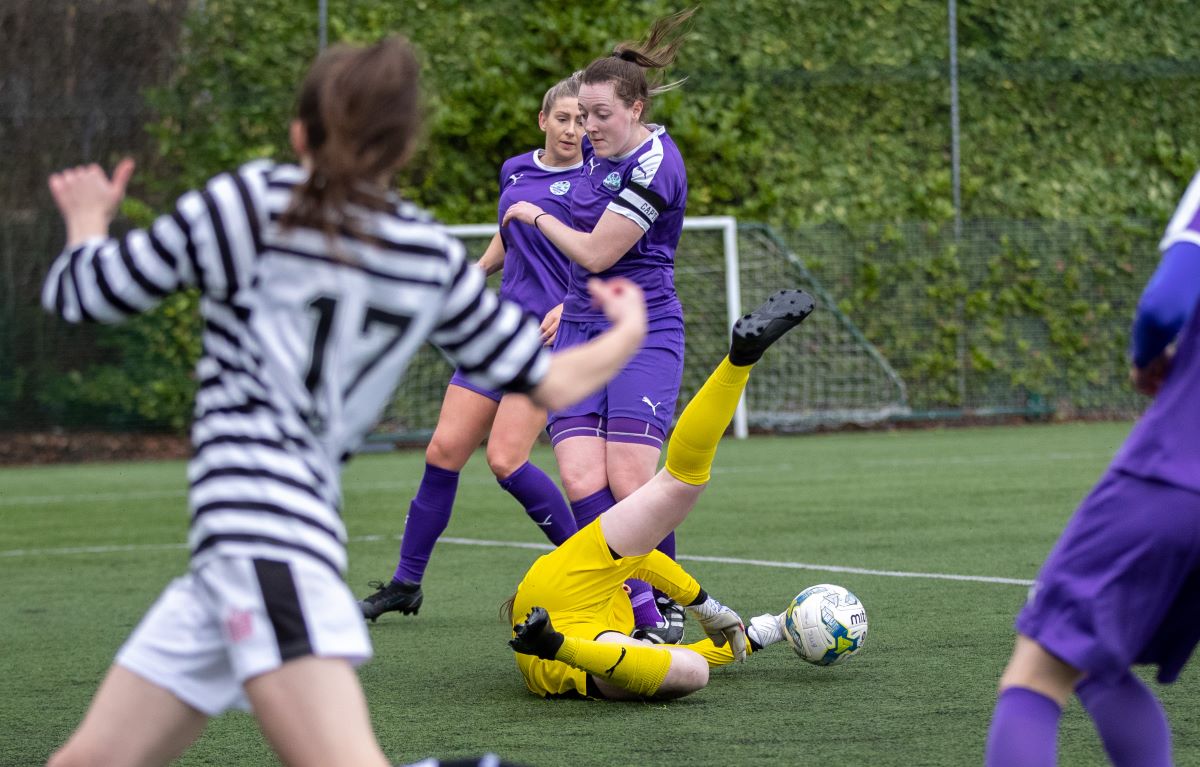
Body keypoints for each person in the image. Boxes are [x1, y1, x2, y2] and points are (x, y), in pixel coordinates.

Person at [40, 37, 647, 767]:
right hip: (246, 556)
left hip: (264, 548)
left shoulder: (251, 203)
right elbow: (546, 380)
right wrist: (626, 331)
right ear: (404, 145)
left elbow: (83, 293)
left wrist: (85, 222)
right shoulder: (421, 251)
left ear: (300, 132)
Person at [985, 170, 1200, 767]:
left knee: (1038, 673)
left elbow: (1164, 304)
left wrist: (1144, 361)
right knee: (1096, 665)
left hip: (1178, 472)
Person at [507, 289, 816, 700]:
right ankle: (738, 361)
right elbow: (672, 642)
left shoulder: (569, 648)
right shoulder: (575, 629)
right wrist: (734, 616)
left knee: (685, 669)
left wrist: (708, 606)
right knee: (677, 479)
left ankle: (740, 361)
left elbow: (676, 659)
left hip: (556, 618)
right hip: (555, 599)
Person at [502, 7, 697, 641]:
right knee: (583, 477)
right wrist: (565, 300)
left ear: (636, 109)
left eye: (601, 115)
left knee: (632, 479)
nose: (587, 128)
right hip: (581, 327)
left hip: (640, 331)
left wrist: (533, 214)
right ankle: (640, 614)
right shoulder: (596, 145)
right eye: (582, 116)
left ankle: (666, 599)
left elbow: (594, 252)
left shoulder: (654, 166)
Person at [359, 75, 585, 621]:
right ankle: (405, 584)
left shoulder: (598, 180)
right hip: (498, 331)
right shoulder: (516, 169)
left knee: (506, 460)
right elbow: (511, 231)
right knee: (442, 452)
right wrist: (477, 270)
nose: (574, 130)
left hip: (552, 341)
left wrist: (572, 305)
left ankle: (593, 570)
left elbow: (606, 255)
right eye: (564, 119)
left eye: (583, 120)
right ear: (543, 119)